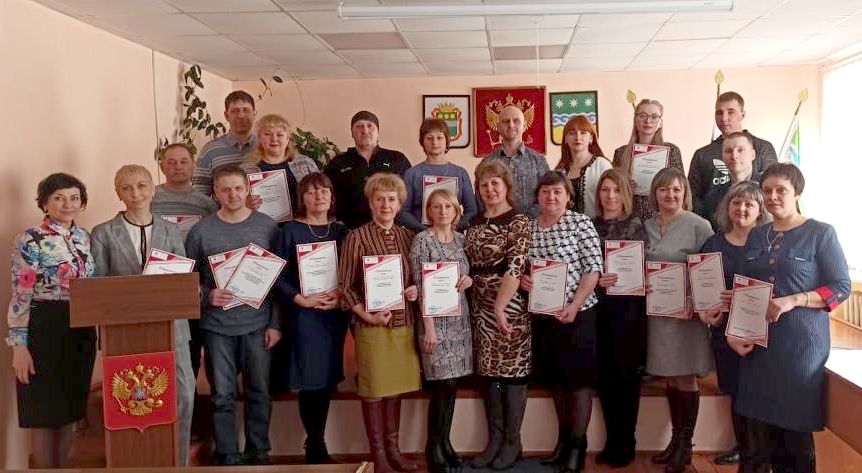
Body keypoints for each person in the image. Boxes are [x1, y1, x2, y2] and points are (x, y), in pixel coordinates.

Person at [729, 164, 849, 473]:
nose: (772, 196)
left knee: (793, 443)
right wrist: (734, 333)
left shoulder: (820, 233)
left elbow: (841, 287)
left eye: (780, 190)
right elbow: (744, 288)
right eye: (767, 191)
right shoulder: (757, 235)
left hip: (799, 350)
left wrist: (795, 299)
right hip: (757, 350)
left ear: (797, 192)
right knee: (755, 440)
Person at [90, 165, 195, 466]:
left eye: (141, 186)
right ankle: (132, 463)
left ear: (152, 189)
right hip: (125, 332)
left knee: (184, 395)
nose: (135, 194)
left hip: (172, 327)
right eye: (126, 188)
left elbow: (182, 278)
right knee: (132, 402)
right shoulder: (103, 233)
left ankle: (178, 463)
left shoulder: (170, 230)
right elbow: (97, 287)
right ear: (118, 193)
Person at [184, 165, 281, 465]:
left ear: (248, 189)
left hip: (258, 325)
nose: (233, 195)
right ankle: (227, 455)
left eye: (238, 188)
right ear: (215, 193)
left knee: (259, 393)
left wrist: (276, 324)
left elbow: (280, 280)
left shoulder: (267, 227)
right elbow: (187, 278)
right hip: (217, 327)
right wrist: (207, 295)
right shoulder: (201, 231)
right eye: (225, 189)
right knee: (222, 396)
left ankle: (258, 452)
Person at [8, 173, 97, 468]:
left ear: (82, 203)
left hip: (80, 328)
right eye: (58, 198)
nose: (67, 204)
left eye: (74, 198)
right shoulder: (30, 239)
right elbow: (21, 292)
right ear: (45, 204)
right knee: (44, 412)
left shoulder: (84, 238)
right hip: (44, 326)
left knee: (70, 409)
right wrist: (19, 346)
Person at [338, 173, 421, 473]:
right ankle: (379, 456)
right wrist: (367, 315)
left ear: (400, 204)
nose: (386, 205)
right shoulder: (356, 237)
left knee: (395, 388)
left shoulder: (409, 237)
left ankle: (394, 452)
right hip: (371, 326)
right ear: (370, 203)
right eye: (379, 199)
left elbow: (415, 279)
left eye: (391, 199)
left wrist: (414, 290)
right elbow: (345, 286)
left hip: (402, 324)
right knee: (374, 389)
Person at [522, 172, 602, 473]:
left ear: (568, 196)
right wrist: (524, 281)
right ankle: (563, 441)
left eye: (557, 191)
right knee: (556, 380)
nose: (551, 197)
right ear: (537, 196)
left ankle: (577, 447)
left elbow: (593, 269)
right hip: (544, 317)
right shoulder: (529, 227)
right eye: (545, 191)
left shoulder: (580, 223)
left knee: (578, 382)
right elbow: (523, 268)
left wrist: (574, 305)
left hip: (577, 315)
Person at [273, 173, 348, 464]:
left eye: (324, 191)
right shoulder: (289, 231)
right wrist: (299, 299)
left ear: (332, 197)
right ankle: (316, 444)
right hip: (304, 315)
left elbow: (351, 271)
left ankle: (316, 440)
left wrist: (341, 296)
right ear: (301, 198)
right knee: (310, 379)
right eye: (311, 192)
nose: (319, 196)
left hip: (332, 315)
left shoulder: (341, 231)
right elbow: (277, 275)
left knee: (326, 379)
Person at [644, 167, 714, 473]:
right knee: (670, 377)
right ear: (654, 193)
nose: (670, 195)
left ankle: (686, 446)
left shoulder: (699, 226)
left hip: (686, 315)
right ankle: (675, 440)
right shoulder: (646, 225)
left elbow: (710, 273)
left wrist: (694, 302)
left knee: (685, 378)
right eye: (663, 189)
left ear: (684, 192)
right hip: (658, 316)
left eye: (676, 189)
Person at [464, 160, 532, 470]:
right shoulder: (473, 221)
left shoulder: (518, 220)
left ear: (506, 186)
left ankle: (513, 442)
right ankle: (494, 441)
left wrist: (500, 306)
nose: (489, 189)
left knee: (512, 373)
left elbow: (516, 266)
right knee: (490, 373)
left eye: (495, 183)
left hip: (510, 306)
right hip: (479, 308)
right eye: (484, 184)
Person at [698, 181, 770, 466]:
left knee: (760, 392)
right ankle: (743, 447)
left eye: (749, 204)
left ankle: (762, 454)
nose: (741, 208)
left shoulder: (769, 244)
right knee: (736, 392)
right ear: (727, 207)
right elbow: (703, 288)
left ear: (760, 210)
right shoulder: (713, 243)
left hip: (761, 332)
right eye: (736, 202)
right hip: (723, 330)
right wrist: (707, 313)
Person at [151, 142, 218, 422]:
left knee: (192, 356)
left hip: (196, 289)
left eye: (183, 161)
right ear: (162, 167)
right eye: (171, 162)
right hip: (159, 290)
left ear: (193, 166)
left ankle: (190, 424)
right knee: (162, 359)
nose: (178, 167)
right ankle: (164, 422)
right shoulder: (151, 199)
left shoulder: (207, 205)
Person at [408, 188, 473, 473]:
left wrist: (469, 280)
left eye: (447, 206)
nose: (442, 211)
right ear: (429, 212)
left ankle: (446, 443)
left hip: (459, 322)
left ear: (456, 210)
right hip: (435, 322)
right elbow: (420, 285)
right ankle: (433, 447)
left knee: (452, 385)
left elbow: (467, 274)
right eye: (436, 206)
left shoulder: (462, 239)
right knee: (441, 386)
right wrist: (429, 329)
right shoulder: (422, 240)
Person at [592, 168, 648, 468]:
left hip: (629, 311)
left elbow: (646, 266)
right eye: (605, 190)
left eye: (616, 190)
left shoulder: (637, 225)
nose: (610, 196)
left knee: (627, 379)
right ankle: (612, 440)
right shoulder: (589, 225)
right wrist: (596, 280)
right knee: (605, 378)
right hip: (599, 308)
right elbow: (583, 268)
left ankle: (627, 442)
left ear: (625, 194)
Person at [689, 91, 778, 216]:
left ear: (742, 115)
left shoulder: (763, 148)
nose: (724, 118)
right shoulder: (702, 154)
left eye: (730, 112)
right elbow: (694, 196)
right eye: (719, 113)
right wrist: (707, 223)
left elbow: (772, 187)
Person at [325, 111, 411, 229]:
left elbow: (409, 195)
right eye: (359, 126)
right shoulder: (338, 163)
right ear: (352, 133)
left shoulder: (397, 159)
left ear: (378, 132)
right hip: (349, 230)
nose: (365, 130)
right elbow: (327, 196)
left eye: (370, 126)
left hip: (391, 229)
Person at [612, 98, 684, 222]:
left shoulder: (672, 151)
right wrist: (624, 186)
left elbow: (681, 187)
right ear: (635, 120)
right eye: (642, 116)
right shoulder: (620, 153)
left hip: (662, 218)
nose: (648, 121)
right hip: (628, 218)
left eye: (654, 117)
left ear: (660, 123)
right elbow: (614, 188)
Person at [400, 118, 478, 231]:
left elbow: (472, 210)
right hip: (420, 236)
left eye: (439, 137)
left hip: (455, 235)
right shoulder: (412, 174)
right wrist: (425, 231)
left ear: (447, 141)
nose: (435, 142)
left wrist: (456, 228)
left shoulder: (460, 173)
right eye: (429, 138)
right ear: (422, 141)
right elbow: (403, 211)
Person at [242, 114, 319, 219]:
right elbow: (235, 203)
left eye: (280, 135)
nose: (274, 139)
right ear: (259, 138)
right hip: (262, 226)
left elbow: (321, 194)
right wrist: (245, 205)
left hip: (302, 224)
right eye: (267, 134)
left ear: (288, 139)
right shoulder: (246, 169)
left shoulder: (305, 163)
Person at [479, 105, 550, 217]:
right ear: (498, 127)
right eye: (506, 121)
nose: (511, 125)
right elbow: (480, 199)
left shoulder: (539, 161)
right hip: (496, 225)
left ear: (524, 126)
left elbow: (547, 194)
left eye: (516, 121)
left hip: (533, 224)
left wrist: (525, 220)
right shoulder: (487, 162)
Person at [192, 90, 257, 196]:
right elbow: (200, 194)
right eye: (235, 111)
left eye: (246, 110)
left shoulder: (266, 147)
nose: (241, 115)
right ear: (226, 115)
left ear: (254, 114)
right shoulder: (210, 151)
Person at [699, 132, 762, 231]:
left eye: (740, 150)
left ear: (753, 154)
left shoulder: (768, 189)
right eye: (728, 151)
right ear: (722, 156)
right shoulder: (713, 197)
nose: (734, 156)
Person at [554, 116, 612, 217]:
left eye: (583, 133)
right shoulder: (560, 170)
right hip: (566, 225)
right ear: (565, 139)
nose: (577, 137)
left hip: (597, 225)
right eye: (572, 133)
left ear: (591, 138)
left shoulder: (602, 165)